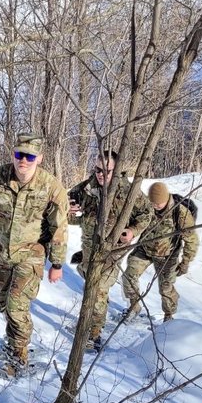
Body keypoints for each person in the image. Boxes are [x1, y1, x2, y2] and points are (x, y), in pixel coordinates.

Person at [0, 133, 68, 371]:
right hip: (2, 253)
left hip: (31, 256)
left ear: (39, 158)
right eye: (19, 154)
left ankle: (19, 356)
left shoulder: (51, 187)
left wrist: (57, 264)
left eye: (29, 156)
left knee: (16, 305)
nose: (23, 160)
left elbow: (59, 227)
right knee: (3, 302)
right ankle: (13, 340)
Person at [67, 149, 151, 348]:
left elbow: (146, 213)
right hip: (90, 247)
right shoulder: (86, 188)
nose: (100, 174)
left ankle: (93, 336)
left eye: (107, 170)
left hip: (114, 249)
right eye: (97, 169)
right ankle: (87, 323)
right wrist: (67, 210)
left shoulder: (128, 191)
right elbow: (69, 213)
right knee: (91, 284)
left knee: (99, 288)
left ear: (117, 170)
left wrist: (131, 230)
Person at [122, 181, 199, 322]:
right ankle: (134, 306)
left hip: (167, 254)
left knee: (165, 288)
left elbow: (192, 240)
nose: (155, 206)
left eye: (159, 203)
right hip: (144, 249)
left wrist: (185, 262)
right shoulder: (146, 206)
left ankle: (168, 316)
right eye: (153, 203)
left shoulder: (180, 212)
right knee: (128, 276)